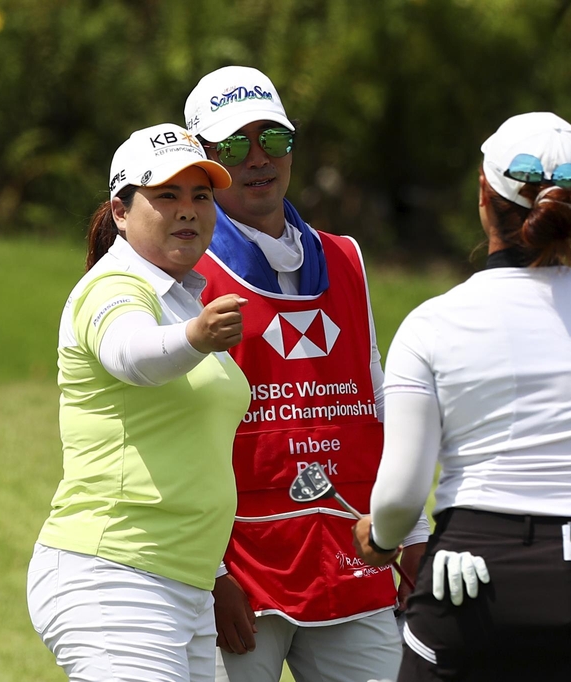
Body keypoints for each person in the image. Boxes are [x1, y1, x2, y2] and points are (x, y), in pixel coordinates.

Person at [352, 112, 571, 681]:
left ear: (483, 193)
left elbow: (399, 493)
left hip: (470, 577)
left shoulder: (431, 323)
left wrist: (379, 538)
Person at [183, 66, 431, 682]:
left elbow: (376, 398)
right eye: (235, 145)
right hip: (241, 573)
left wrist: (416, 527)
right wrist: (211, 577)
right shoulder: (184, 270)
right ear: (204, 163)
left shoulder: (345, 257)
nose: (259, 158)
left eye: (274, 139)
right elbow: (175, 436)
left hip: (353, 556)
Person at [26, 122, 252, 682]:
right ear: (121, 211)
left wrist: (217, 573)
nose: (188, 211)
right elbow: (131, 355)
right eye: (167, 195)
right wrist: (196, 338)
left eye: (201, 196)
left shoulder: (181, 296)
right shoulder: (116, 287)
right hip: (114, 576)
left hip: (185, 584)